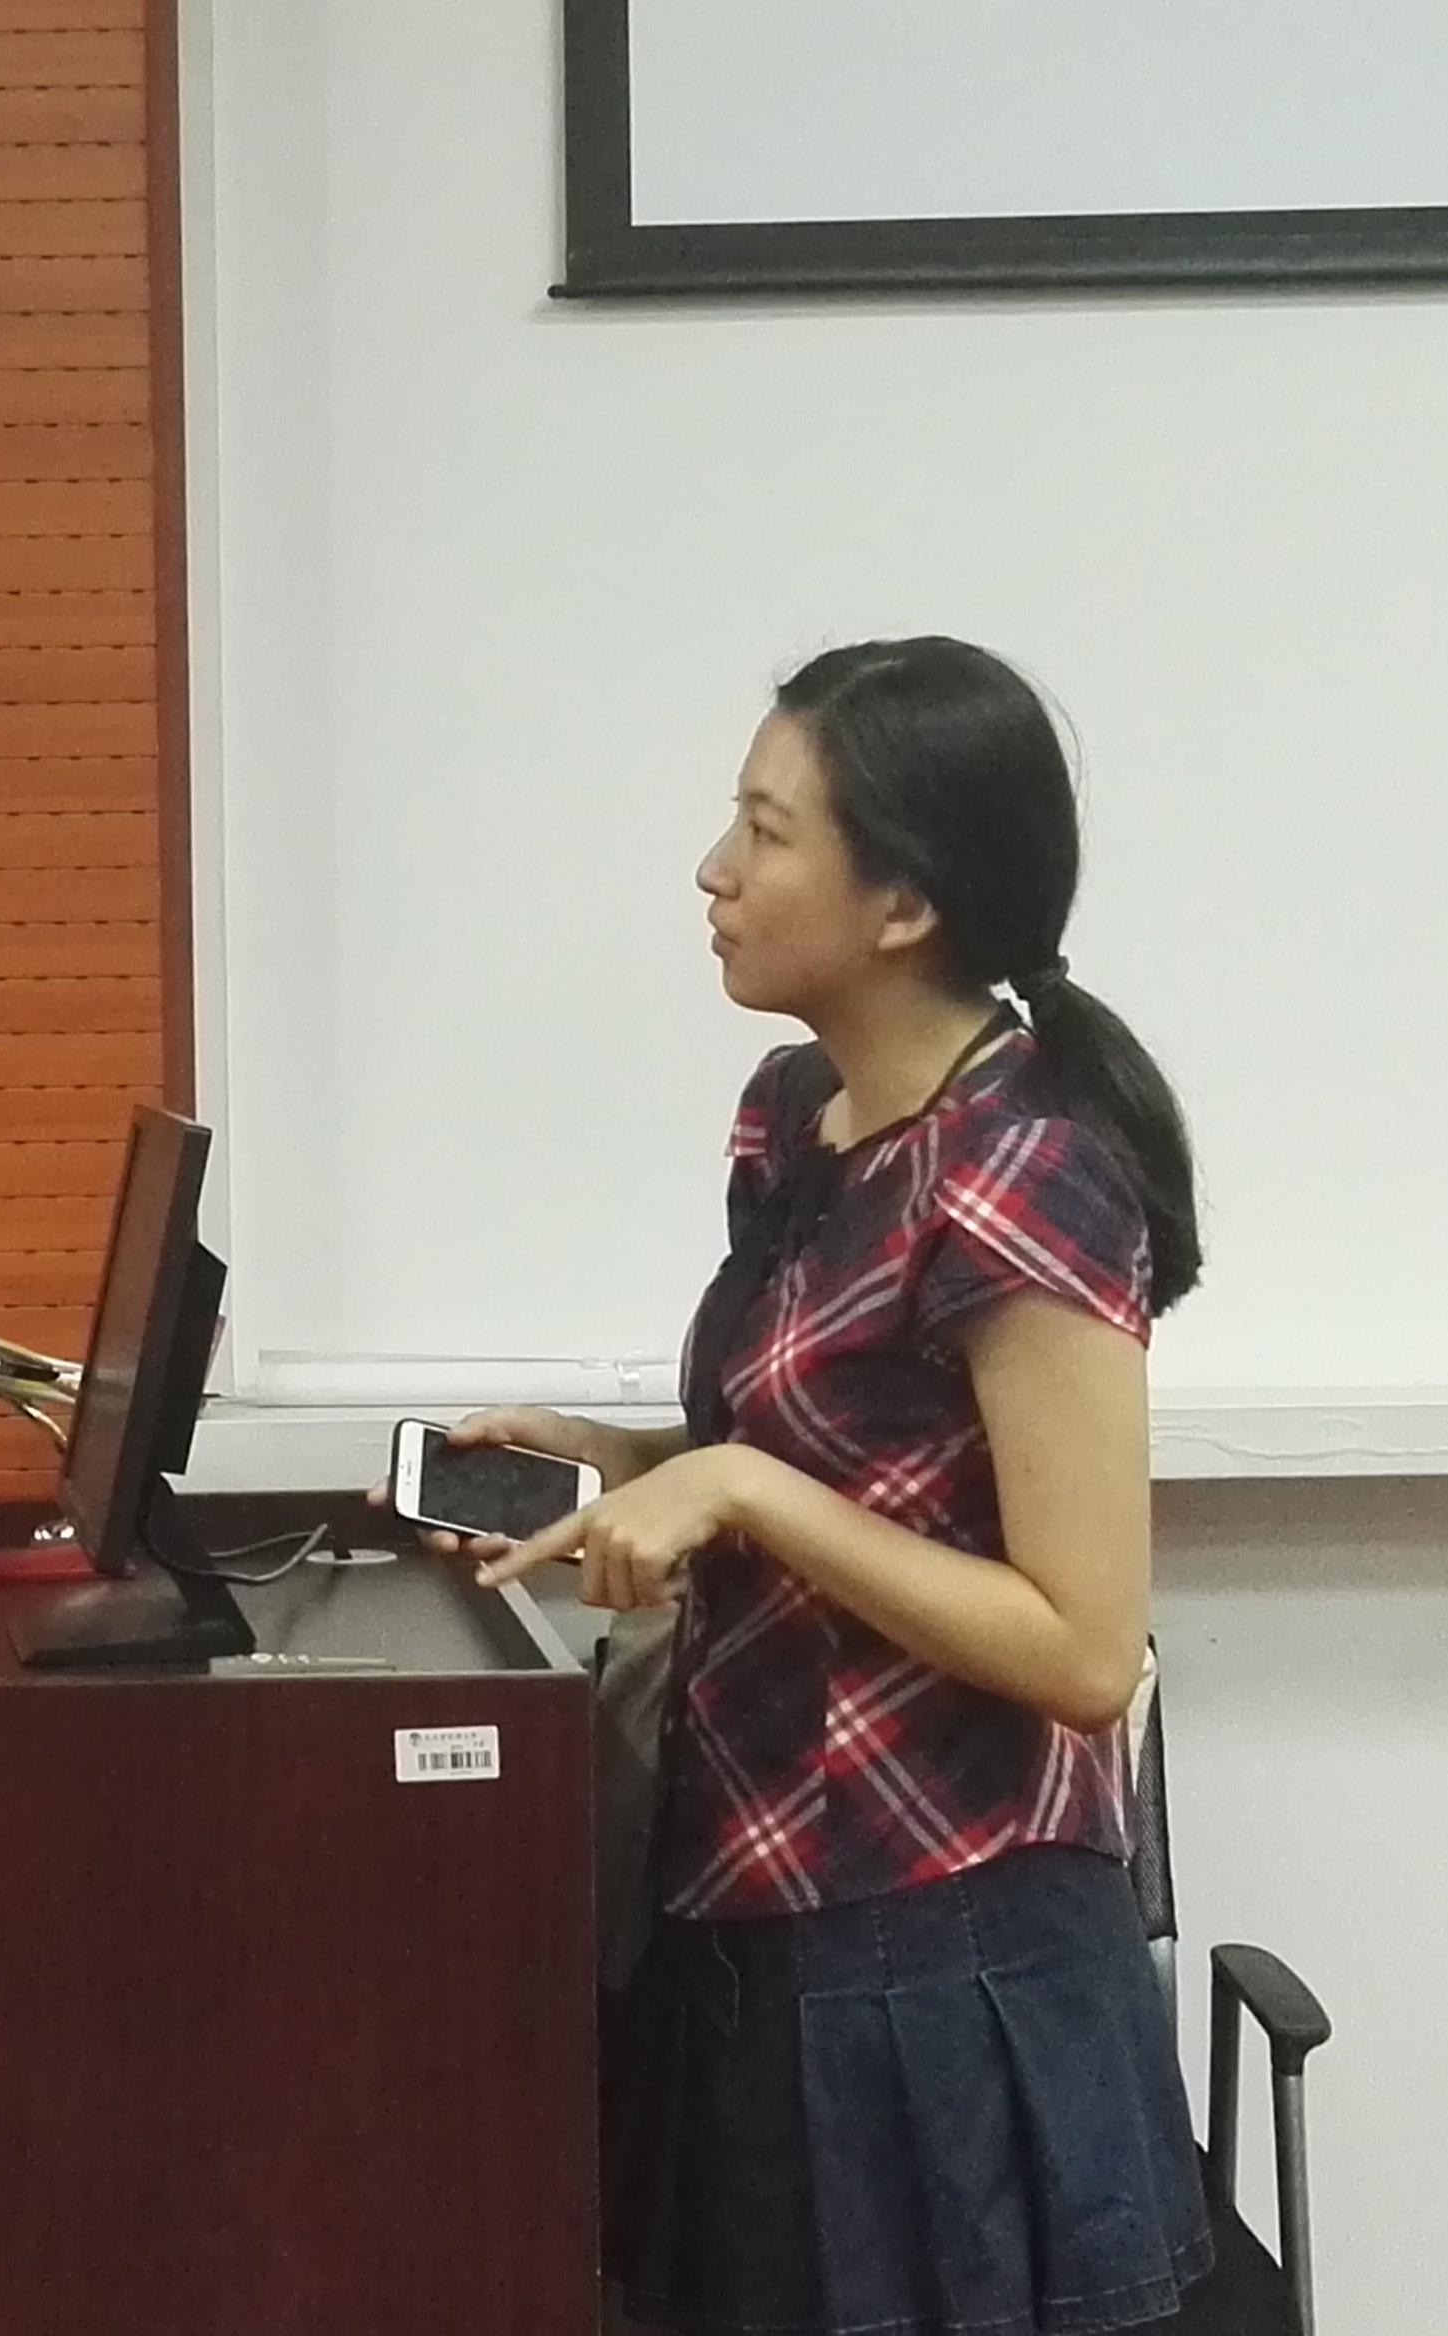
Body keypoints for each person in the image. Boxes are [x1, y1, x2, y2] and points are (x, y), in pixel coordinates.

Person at [435, 637, 1212, 2336]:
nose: (714, 871)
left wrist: (740, 1491)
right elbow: (846, 1459)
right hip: (749, 1901)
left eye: (766, 832)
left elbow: (1086, 1646)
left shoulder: (1027, 1171)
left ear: (904, 906)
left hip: (942, 1958)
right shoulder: (805, 1116)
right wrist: (629, 1469)